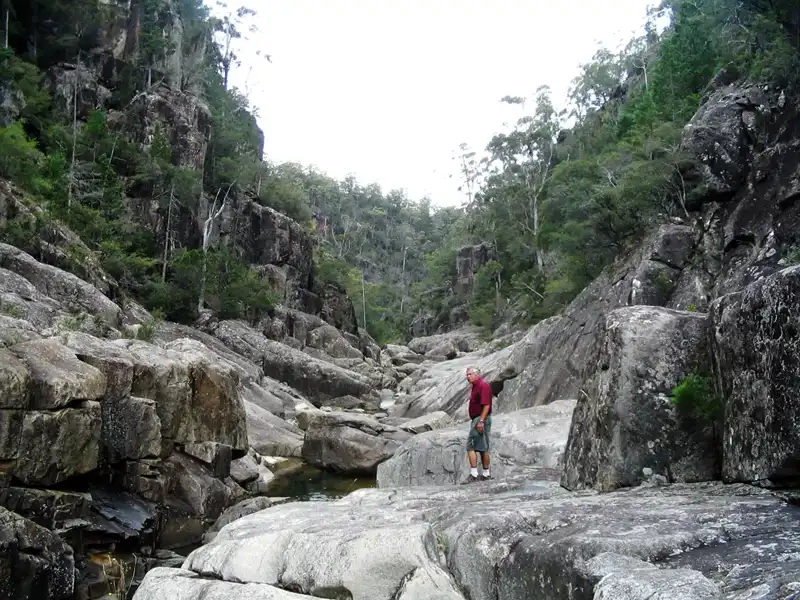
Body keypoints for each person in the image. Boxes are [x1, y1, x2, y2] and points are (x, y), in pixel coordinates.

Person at [461, 366, 492, 484]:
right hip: (479, 418)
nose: (467, 377)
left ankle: (474, 475)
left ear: (477, 374)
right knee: (483, 447)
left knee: (470, 446)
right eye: (467, 375)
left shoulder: (483, 385)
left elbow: (487, 405)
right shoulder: (475, 386)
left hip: (480, 418)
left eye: (470, 374)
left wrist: (481, 421)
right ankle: (486, 474)